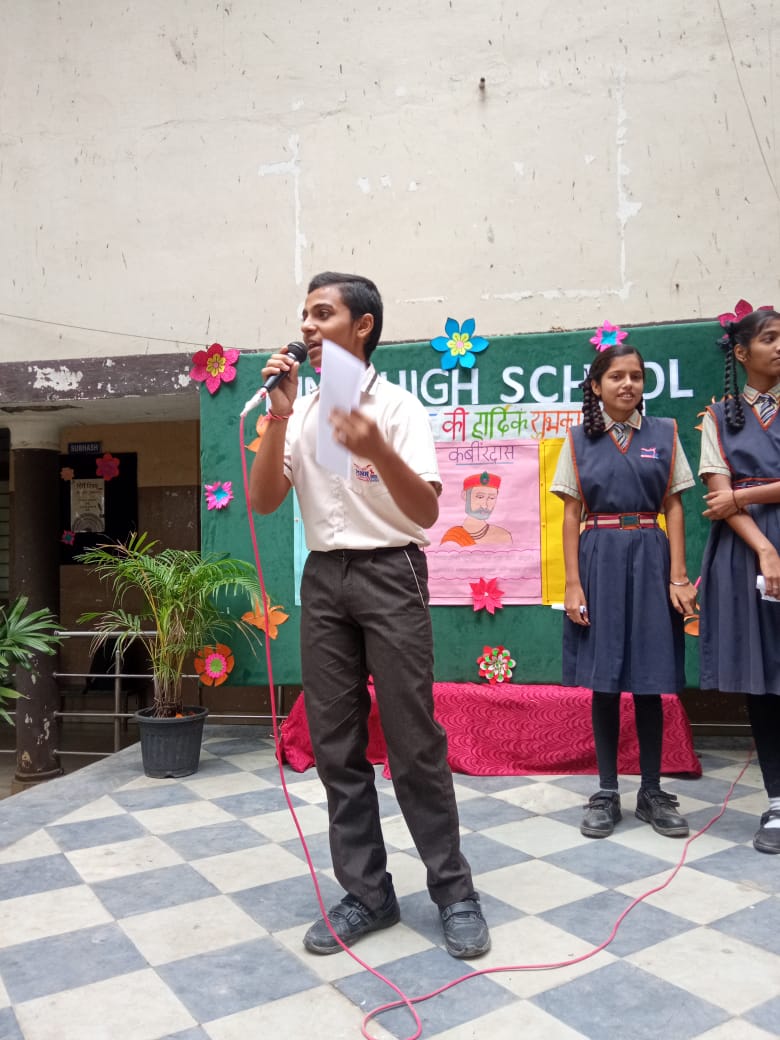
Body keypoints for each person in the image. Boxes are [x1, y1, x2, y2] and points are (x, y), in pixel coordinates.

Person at [249, 271, 490, 957]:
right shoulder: (301, 409)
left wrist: (374, 446)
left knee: (413, 739)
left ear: (362, 326)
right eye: (304, 314)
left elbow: (426, 512)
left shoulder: (398, 407)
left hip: (391, 571)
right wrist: (278, 415)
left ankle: (454, 892)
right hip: (325, 579)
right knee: (335, 743)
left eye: (323, 313)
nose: (307, 326)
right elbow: (264, 501)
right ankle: (368, 893)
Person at [550, 338, 698, 839]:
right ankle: (607, 791)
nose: (627, 384)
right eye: (616, 376)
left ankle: (652, 792)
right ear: (596, 386)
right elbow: (570, 516)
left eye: (635, 376)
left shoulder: (665, 433)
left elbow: (674, 507)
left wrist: (678, 576)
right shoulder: (577, 441)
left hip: (652, 556)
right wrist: (573, 585)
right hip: (599, 559)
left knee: (651, 679)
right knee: (605, 680)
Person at [698, 304, 780, 854]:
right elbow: (716, 495)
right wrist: (766, 549)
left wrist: (744, 495)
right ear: (742, 351)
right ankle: (777, 803)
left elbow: (732, 496)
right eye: (770, 338)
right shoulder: (717, 416)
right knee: (764, 678)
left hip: (753, 526)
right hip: (746, 552)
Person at [440, 471, 513, 546]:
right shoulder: (452, 537)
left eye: (491, 498)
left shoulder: (503, 536)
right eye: (480, 497)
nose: (485, 505)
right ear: (465, 495)